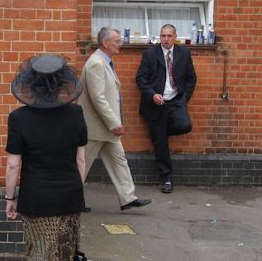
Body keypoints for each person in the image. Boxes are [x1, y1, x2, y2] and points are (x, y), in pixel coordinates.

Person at [5, 54, 87, 261]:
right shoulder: (76, 115)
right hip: (69, 197)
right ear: (61, 85)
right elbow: (80, 160)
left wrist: (10, 198)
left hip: (36, 198)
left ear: (30, 86)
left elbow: (14, 166)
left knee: (41, 256)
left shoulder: (19, 118)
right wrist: (77, 191)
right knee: (61, 256)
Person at [78, 27, 151, 211]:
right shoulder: (96, 63)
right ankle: (70, 200)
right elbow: (98, 98)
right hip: (96, 127)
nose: (121, 44)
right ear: (105, 43)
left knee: (119, 161)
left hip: (106, 128)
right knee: (81, 165)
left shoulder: (105, 61)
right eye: (117, 41)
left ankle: (127, 198)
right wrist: (114, 122)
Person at [135, 24, 196, 194]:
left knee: (185, 125)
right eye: (163, 36)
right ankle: (166, 179)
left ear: (175, 36)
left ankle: (159, 133)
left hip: (176, 101)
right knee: (161, 144)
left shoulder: (184, 53)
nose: (166, 39)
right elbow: (141, 79)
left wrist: (184, 99)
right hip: (156, 104)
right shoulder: (150, 54)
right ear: (159, 37)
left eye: (169, 36)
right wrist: (152, 94)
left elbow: (192, 78)